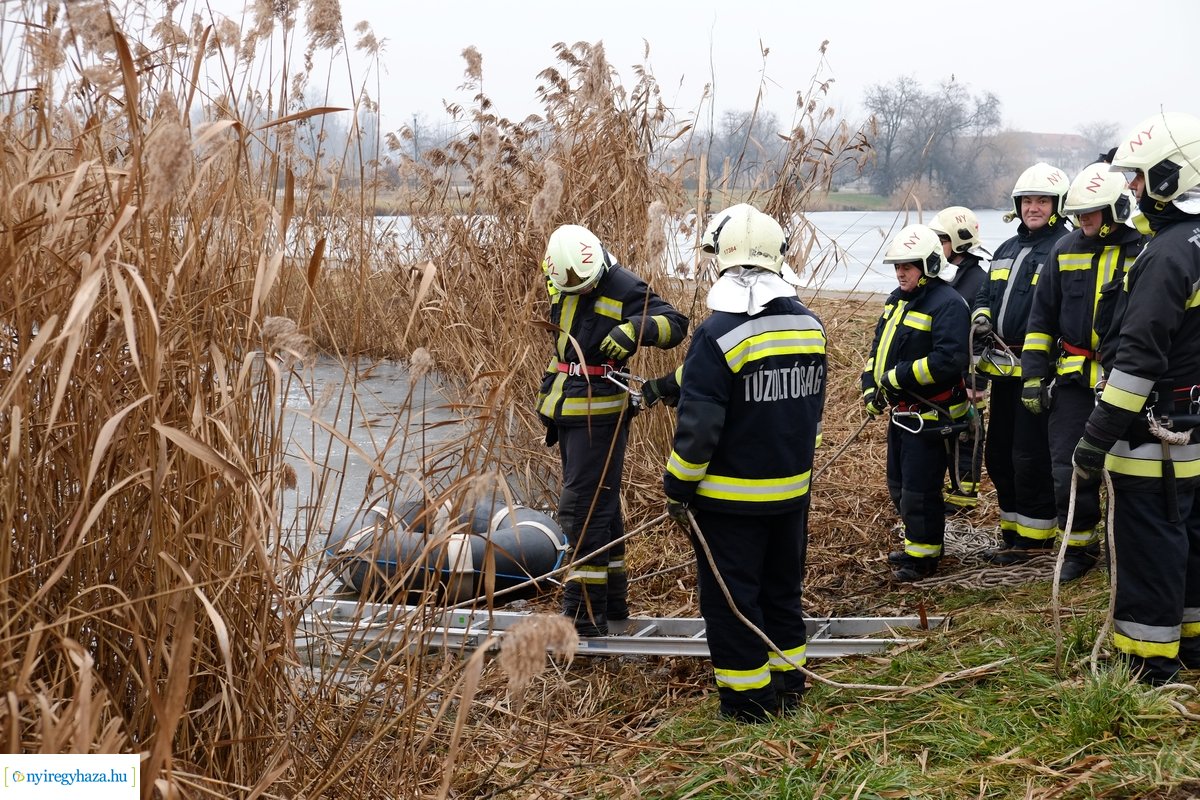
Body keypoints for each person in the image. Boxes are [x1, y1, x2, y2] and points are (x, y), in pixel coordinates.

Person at [662, 205, 826, 723]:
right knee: (782, 592)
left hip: (730, 503)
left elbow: (700, 431)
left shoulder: (716, 334)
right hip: (791, 494)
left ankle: (748, 704)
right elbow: (810, 411)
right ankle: (789, 686)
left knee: (732, 605)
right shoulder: (810, 326)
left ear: (723, 262)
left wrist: (677, 487)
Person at [1072, 111, 1200, 685]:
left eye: (1140, 179)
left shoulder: (1169, 252)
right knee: (1188, 537)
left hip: (1153, 433)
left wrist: (1095, 438)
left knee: (1149, 542)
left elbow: (1140, 357)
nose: (1132, 190)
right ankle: (1191, 642)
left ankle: (1147, 661)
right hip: (1189, 425)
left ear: (1171, 179)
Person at [537, 223, 688, 636]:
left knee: (581, 512)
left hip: (600, 415)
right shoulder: (563, 278)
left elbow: (675, 323)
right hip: (570, 409)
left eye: (587, 287)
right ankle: (614, 605)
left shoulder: (623, 284)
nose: (582, 294)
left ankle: (582, 618)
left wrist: (634, 330)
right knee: (601, 509)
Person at [1021, 163, 1145, 582]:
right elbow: (1041, 321)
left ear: (1116, 208)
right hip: (1073, 381)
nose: (1083, 219)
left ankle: (1123, 550)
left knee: (1128, 471)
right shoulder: (1065, 249)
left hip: (1126, 380)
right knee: (1067, 470)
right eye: (1078, 212)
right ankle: (1078, 548)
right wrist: (1033, 377)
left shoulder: (1142, 249)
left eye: (1092, 211)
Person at [972, 163, 1072, 563]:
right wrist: (980, 315)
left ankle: (1035, 541)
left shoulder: (1064, 248)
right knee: (999, 455)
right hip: (1003, 371)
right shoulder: (1006, 250)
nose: (1034, 207)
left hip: (1038, 373)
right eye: (1028, 200)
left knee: (1030, 457)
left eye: (1042, 201)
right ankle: (1012, 532)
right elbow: (985, 293)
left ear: (1057, 205)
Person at [862, 224, 971, 582]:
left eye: (908, 266)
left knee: (919, 491)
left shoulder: (949, 304)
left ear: (930, 265)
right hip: (902, 414)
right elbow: (878, 350)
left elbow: (948, 361)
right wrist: (870, 387)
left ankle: (922, 561)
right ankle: (919, 545)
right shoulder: (896, 300)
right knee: (899, 485)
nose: (900, 272)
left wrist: (897, 378)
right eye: (897, 266)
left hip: (931, 417)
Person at [929, 206, 988, 515]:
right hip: (945, 378)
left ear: (958, 241)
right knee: (945, 437)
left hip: (970, 380)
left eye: (940, 239)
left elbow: (982, 338)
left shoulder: (977, 281)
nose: (935, 245)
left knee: (968, 436)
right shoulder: (946, 277)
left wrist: (976, 384)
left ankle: (963, 501)